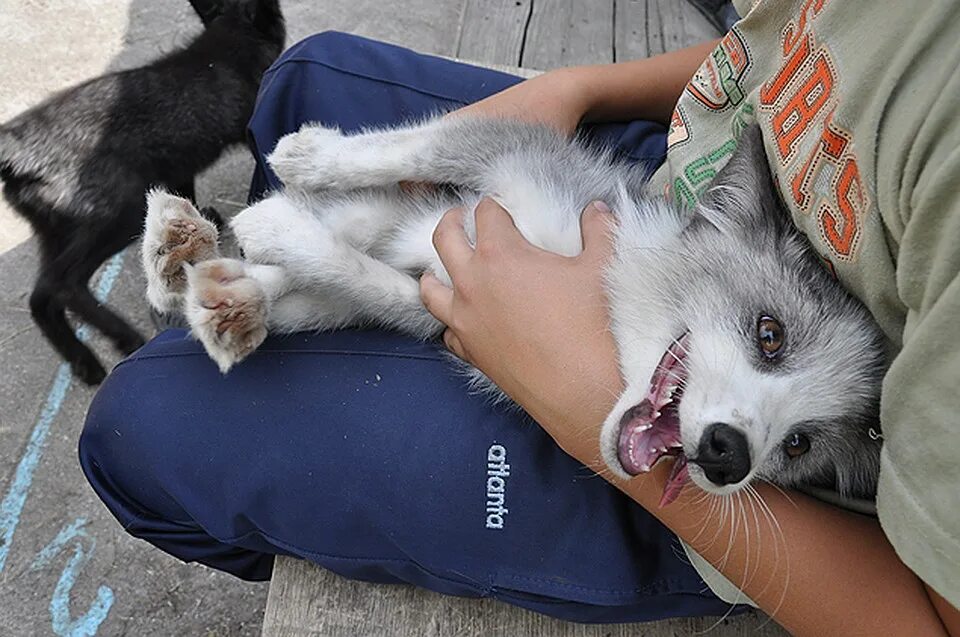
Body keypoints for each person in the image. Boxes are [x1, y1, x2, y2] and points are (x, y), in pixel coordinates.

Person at [80, 0, 960, 633]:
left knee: (137, 425)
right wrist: (583, 90)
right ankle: (261, 281)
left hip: (682, 499)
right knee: (302, 77)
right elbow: (772, 52)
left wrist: (583, 403)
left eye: (797, 441)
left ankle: (279, 337)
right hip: (691, 194)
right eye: (771, 347)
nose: (761, 430)